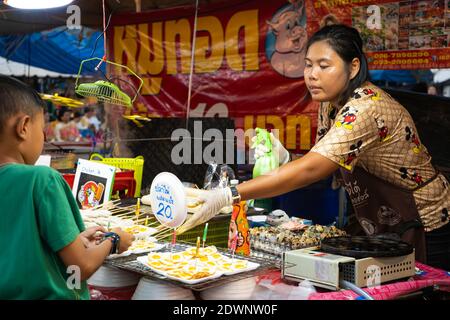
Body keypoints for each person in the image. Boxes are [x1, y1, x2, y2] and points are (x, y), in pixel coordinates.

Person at [178, 25, 450, 271]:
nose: (312, 75)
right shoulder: (330, 104)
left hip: (426, 221)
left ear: (353, 67)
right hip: (381, 219)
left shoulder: (366, 108)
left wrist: (229, 195)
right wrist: (287, 157)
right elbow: (325, 157)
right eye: (308, 65)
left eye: (324, 66)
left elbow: (312, 169)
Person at [0, 76, 134, 299]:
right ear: (23, 127)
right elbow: (81, 267)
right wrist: (114, 240)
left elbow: (20, 248)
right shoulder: (41, 179)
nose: (44, 137)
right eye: (41, 128)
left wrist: (76, 241)